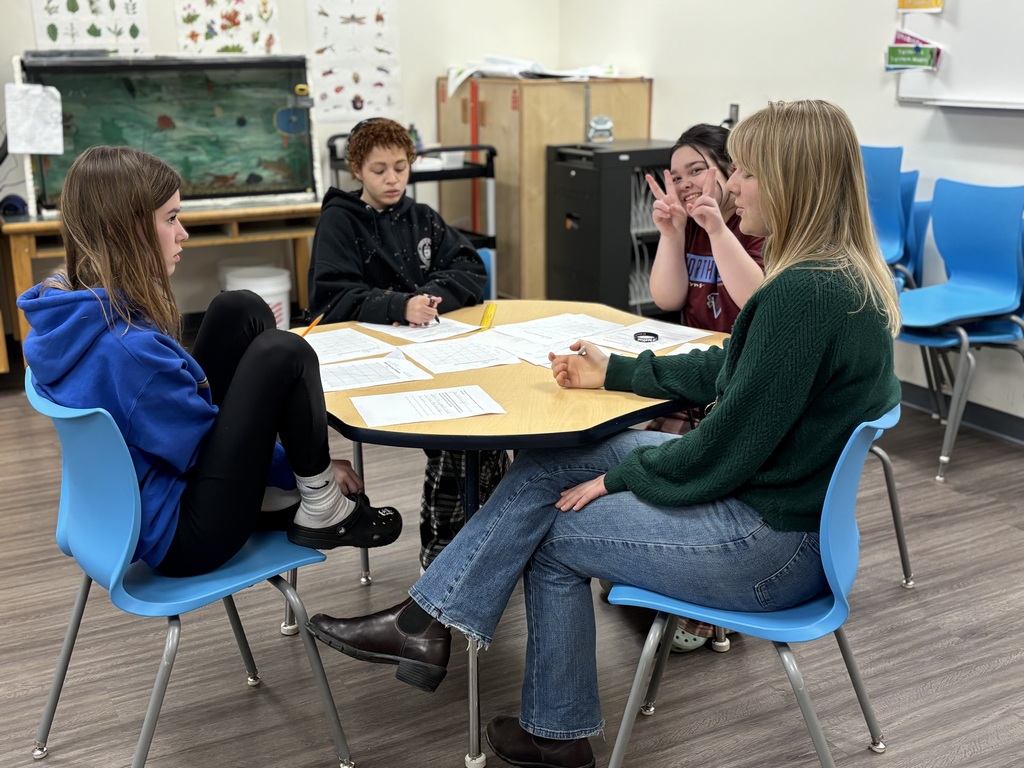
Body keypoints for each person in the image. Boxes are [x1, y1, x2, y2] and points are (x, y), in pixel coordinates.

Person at [304, 100, 902, 768]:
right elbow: (730, 368)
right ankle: (425, 624)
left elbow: (725, 448)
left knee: (555, 532)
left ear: (796, 180)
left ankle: (549, 730)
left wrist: (619, 480)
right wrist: (617, 369)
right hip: (788, 513)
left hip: (769, 546)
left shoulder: (804, 296)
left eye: (748, 173)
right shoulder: (840, 278)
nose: (731, 186)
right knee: (566, 456)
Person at [18, 145, 401, 578]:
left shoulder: (68, 308)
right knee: (283, 352)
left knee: (240, 308)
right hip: (185, 535)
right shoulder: (128, 352)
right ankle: (323, 503)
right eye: (170, 219)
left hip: (133, 500)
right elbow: (198, 449)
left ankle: (294, 491)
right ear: (120, 229)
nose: (183, 233)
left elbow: (180, 428)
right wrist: (304, 469)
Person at [308, 117, 510, 571]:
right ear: (356, 170)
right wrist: (400, 305)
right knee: (455, 437)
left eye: (401, 167)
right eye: (379, 169)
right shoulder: (340, 223)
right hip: (373, 363)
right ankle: (441, 557)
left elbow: (469, 268)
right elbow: (332, 297)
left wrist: (430, 297)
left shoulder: (422, 218)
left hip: (434, 352)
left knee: (490, 422)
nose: (393, 178)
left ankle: (490, 540)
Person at [647, 123, 765, 333]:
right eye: (676, 178)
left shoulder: (754, 222)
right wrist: (671, 235)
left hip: (739, 352)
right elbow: (667, 300)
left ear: (732, 169)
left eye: (696, 170)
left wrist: (717, 231)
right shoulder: (688, 224)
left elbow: (755, 301)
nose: (684, 184)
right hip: (694, 349)